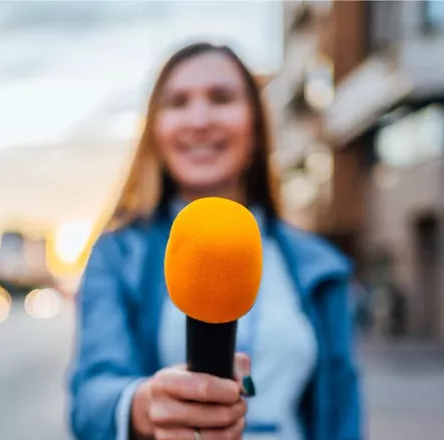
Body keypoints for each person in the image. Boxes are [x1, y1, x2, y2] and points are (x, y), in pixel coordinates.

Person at [69, 42, 363, 440]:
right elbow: (89, 398)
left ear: (257, 128)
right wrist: (143, 406)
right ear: (155, 130)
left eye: (221, 98)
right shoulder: (118, 256)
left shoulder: (320, 265)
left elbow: (344, 412)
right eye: (178, 102)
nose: (200, 119)